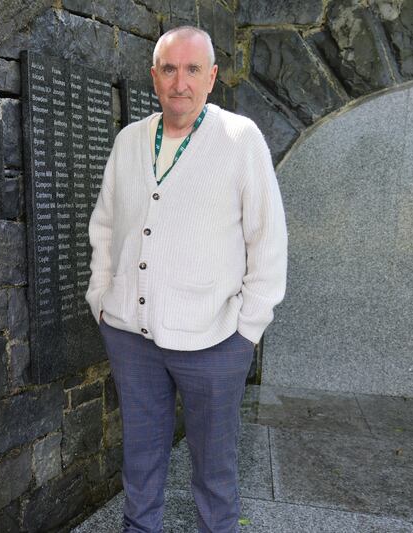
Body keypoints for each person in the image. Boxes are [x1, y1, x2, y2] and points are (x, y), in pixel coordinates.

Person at [86, 26, 287, 533]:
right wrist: (102, 298)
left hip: (216, 342)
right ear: (154, 77)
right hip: (132, 336)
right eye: (170, 69)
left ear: (212, 76)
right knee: (140, 459)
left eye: (193, 69)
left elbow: (268, 241)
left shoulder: (240, 140)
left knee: (215, 472)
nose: (181, 83)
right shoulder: (130, 140)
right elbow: (106, 226)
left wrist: (247, 333)